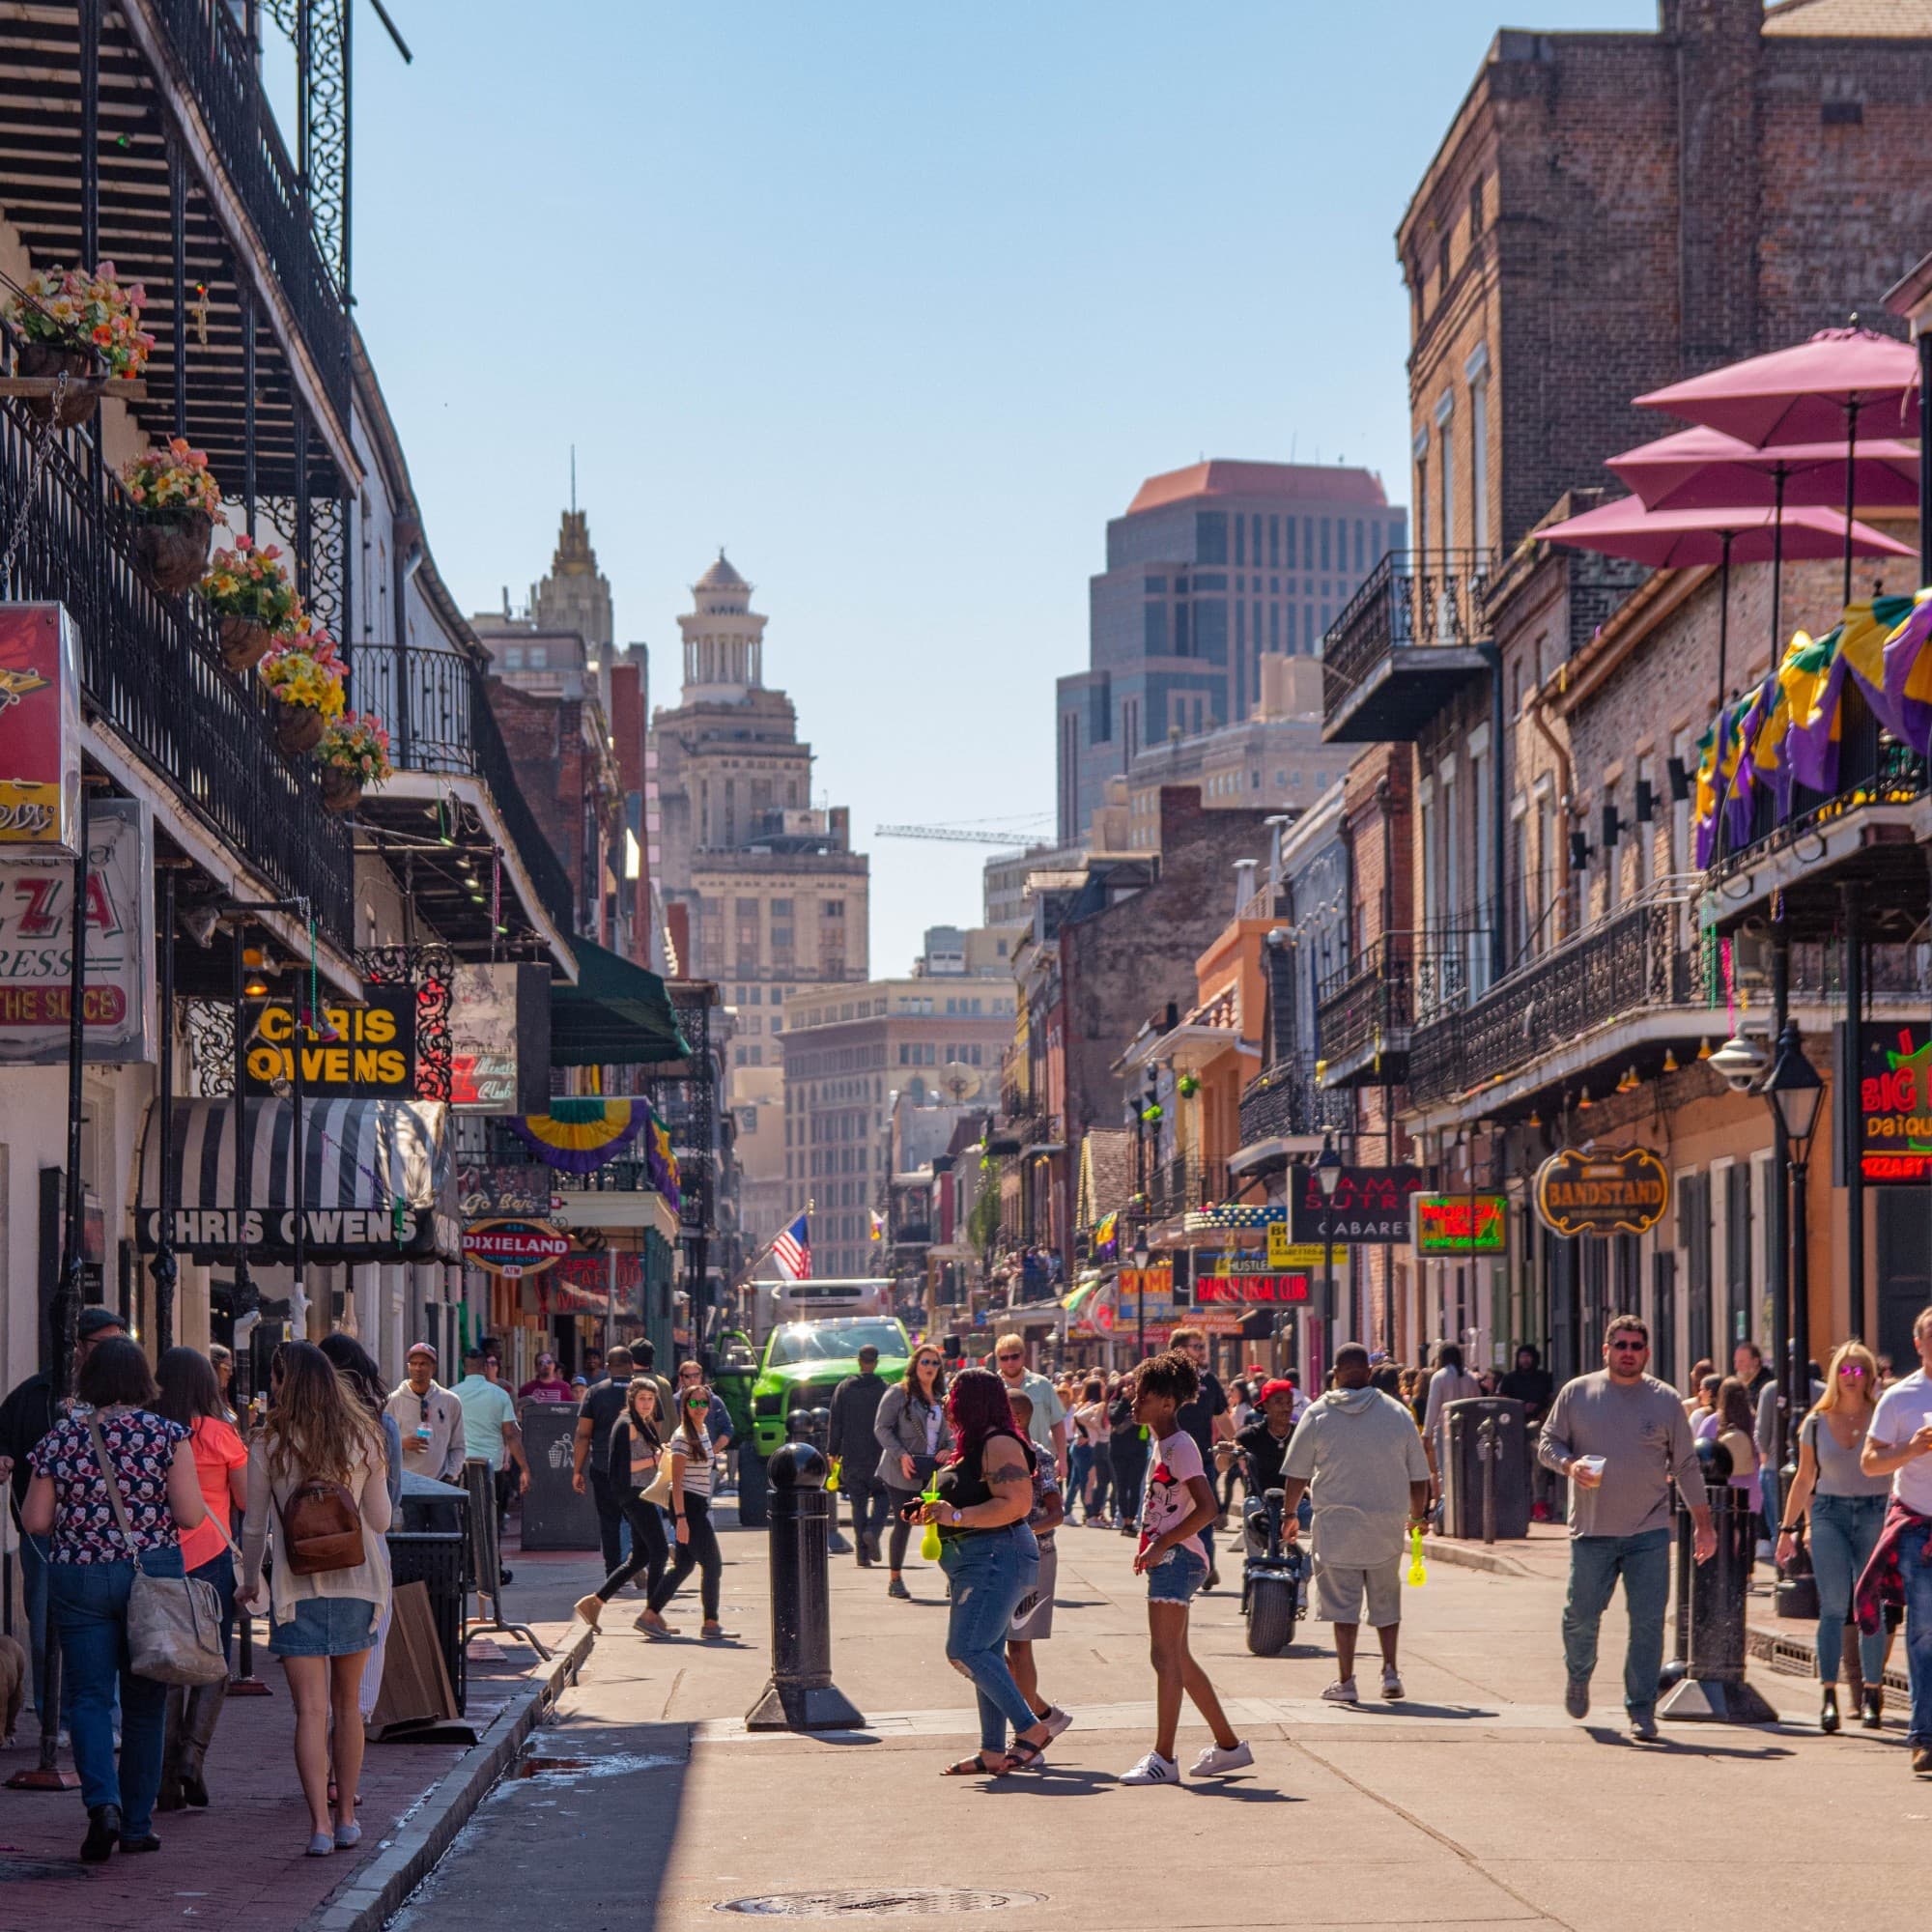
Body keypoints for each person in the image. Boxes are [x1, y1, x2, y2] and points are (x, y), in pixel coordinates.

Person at [20, 1336, 208, 1862]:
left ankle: (101, 1805)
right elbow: (191, 1514)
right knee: (146, 1705)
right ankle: (137, 1823)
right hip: (151, 1576)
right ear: (143, 1382)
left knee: (88, 1699)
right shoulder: (168, 1435)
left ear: (91, 1381)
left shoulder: (63, 1438)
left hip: (79, 1576)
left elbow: (35, 1521)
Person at [239, 1341, 392, 1857]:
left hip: (293, 1588)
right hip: (358, 1583)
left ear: (287, 1382)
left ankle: (320, 1828)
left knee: (309, 1711)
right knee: (348, 1707)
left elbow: (255, 1526)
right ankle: (348, 1816)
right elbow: (381, 1520)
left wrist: (249, 1579)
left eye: (275, 1378)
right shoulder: (365, 1435)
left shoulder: (268, 1443)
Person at [1539, 1313, 1716, 1742]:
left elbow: (1687, 1465)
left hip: (1649, 1532)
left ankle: (1641, 1709)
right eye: (1621, 1345)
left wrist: (1703, 1525)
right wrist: (1569, 1464)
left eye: (1636, 1346)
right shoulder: (1577, 1393)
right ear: (1607, 1350)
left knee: (1648, 1623)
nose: (1628, 1353)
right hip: (1592, 1530)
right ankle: (1578, 1674)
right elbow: (1548, 1443)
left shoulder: (1665, 1400)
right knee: (1580, 1616)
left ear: (1647, 1353)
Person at [910, 1367, 1054, 1776]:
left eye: (953, 1395)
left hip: (996, 1557)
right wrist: (930, 1509)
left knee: (965, 1650)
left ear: (971, 1400)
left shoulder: (1000, 1442)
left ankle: (1031, 1727)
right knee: (987, 1653)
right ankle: (992, 1751)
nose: (946, 1402)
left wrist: (955, 1514)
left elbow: (1016, 1503)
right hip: (976, 1560)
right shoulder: (971, 1446)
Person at [1117, 1350, 1251, 1785]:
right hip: (1171, 1556)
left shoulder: (1180, 1447)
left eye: (1144, 1396)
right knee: (1179, 1658)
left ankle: (1164, 1758)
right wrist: (1152, 1545)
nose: (1134, 1402)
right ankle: (1229, 1747)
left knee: (1163, 1656)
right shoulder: (1164, 1444)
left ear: (1168, 1404)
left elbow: (1208, 1507)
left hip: (1178, 1558)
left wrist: (1161, 1544)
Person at [1273, 1344, 1429, 1703]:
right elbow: (1419, 1477)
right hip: (1385, 1526)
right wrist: (1417, 1517)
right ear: (1369, 1374)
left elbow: (1296, 1475)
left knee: (1344, 1607)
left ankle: (1346, 1680)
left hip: (1336, 1527)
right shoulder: (1397, 1413)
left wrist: (1290, 1515)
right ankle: (1390, 1671)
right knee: (1386, 1601)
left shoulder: (1318, 1413)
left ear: (1336, 1372)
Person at [0, 1304, 128, 1736]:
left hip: (103, 1538)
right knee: (45, 1631)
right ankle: (55, 1718)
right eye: (105, 1344)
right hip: (44, 1538)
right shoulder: (33, 1395)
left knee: (103, 1633)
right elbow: (6, 1441)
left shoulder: (125, 1399)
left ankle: (98, 1718)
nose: (115, 1353)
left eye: (121, 1344)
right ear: (78, 1347)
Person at [154, 1347, 248, 1812]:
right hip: (212, 1554)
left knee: (167, 1663)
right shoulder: (219, 1433)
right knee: (213, 1661)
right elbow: (247, 1497)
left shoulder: (151, 1433)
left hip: (161, 1557)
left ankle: (166, 1776)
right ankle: (193, 1755)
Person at [1776, 1340, 1889, 1732]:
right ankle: (1828, 1696)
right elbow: (1805, 1477)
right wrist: (1789, 1528)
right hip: (1828, 1513)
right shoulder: (1815, 1421)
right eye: (1845, 1369)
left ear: (1870, 1377)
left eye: (1860, 1370)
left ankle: (1872, 1693)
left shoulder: (1881, 1416)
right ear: (1834, 1376)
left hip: (1875, 1510)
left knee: (1870, 1603)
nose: (1852, 1377)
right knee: (1833, 1606)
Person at [1855, 1305, 1932, 1774]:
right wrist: (1912, 1449)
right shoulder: (1900, 1398)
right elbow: (1869, 1462)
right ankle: (1924, 1737)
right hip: (1918, 1528)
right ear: (1918, 1343)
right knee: (1923, 1634)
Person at [573, 1378, 671, 1632]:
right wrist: (654, 1458)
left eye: (651, 1399)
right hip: (635, 1495)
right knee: (659, 1551)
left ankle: (594, 1602)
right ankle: (651, 1614)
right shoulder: (627, 1425)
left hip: (641, 1493)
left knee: (640, 1557)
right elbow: (625, 1467)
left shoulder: (642, 1423)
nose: (647, 1404)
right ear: (632, 1399)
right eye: (642, 1399)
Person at [1003, 1390, 1069, 1740]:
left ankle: (1029, 1727)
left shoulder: (1039, 1457)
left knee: (1019, 1644)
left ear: (1015, 1418)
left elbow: (1057, 1514)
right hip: (1003, 1558)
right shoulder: (998, 1454)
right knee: (993, 1645)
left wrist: (1020, 1531)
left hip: (1035, 1557)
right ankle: (1042, 1715)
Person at [643, 1378, 726, 1639]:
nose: (700, 1407)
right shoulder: (682, 1437)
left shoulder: (702, 1431)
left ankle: (649, 1616)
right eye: (694, 1403)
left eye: (704, 1402)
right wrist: (681, 1518)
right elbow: (677, 1483)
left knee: (683, 1566)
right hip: (688, 1506)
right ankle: (710, 1623)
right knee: (713, 1564)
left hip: (698, 1503)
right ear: (686, 1406)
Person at [875, 1342, 947, 1599]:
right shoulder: (899, 1393)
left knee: (944, 1522)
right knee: (905, 1522)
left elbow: (953, 1432)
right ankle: (895, 1579)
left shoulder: (943, 1398)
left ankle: (954, 1577)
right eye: (925, 1361)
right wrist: (901, 1455)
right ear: (915, 1364)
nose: (929, 1367)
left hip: (934, 1471)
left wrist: (948, 1449)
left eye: (935, 1362)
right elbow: (881, 1428)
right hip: (901, 1469)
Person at [1170, 1326, 1233, 1587]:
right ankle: (1176, 1565)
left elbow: (1221, 1417)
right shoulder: (1166, 1380)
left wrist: (1238, 1443)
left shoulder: (1209, 1382)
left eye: (1202, 1347)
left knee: (1206, 1513)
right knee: (1173, 1515)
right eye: (1196, 1347)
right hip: (1171, 1460)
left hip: (1203, 1459)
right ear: (1179, 1350)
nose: (1202, 1352)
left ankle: (1205, 1564)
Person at [572, 1346, 643, 1573]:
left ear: (607, 1367)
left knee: (609, 1521)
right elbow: (655, 1432)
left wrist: (577, 1471)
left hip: (604, 1466)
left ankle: (613, 1570)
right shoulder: (644, 1392)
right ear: (632, 1366)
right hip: (638, 1469)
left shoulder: (595, 1392)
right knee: (639, 1519)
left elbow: (583, 1435)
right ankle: (637, 1562)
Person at [451, 1346, 529, 1533]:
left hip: (461, 1466)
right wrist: (524, 1468)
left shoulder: (453, 1395)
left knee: (464, 1518)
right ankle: (493, 1558)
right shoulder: (500, 1395)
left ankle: (467, 1557)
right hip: (491, 1467)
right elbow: (511, 1434)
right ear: (485, 1368)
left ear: (464, 1368)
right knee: (493, 1517)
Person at [828, 1344, 892, 1566]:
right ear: (875, 1362)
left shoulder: (844, 1388)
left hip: (852, 1456)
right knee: (883, 1497)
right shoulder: (884, 1388)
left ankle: (862, 1555)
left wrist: (832, 1452)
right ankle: (873, 1530)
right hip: (879, 1456)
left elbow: (835, 1421)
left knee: (858, 1503)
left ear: (859, 1361)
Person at [385, 1344, 465, 1484]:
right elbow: (380, 1441)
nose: (418, 1368)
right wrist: (401, 1443)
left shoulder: (450, 1401)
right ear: (408, 1366)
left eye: (423, 1364)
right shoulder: (393, 1401)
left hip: (441, 1482)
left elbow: (458, 1445)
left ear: (433, 1368)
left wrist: (451, 1474)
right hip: (406, 1483)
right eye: (414, 1364)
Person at [993, 1334, 1066, 1482]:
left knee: (1049, 1504)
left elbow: (1057, 1423)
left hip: (1041, 1461)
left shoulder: (1042, 1384)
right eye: (1004, 1358)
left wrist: (1063, 1460)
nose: (1010, 1362)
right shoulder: (991, 1387)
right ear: (998, 1360)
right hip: (1004, 1464)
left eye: (1014, 1356)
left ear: (1023, 1356)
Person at [1499, 1344, 1557, 1521]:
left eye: (1528, 1357)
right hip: (1515, 1427)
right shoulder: (1510, 1379)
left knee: (1539, 1467)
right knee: (1518, 1467)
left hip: (1539, 1426)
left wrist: (1539, 1409)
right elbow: (1502, 1400)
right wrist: (1519, 1407)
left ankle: (1539, 1504)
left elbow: (1551, 1400)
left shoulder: (1544, 1378)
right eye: (1522, 1357)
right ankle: (1519, 1505)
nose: (1525, 1360)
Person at [1108, 1375, 1146, 1538]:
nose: (1131, 1387)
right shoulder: (1114, 1402)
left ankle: (1133, 1519)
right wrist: (1124, 1400)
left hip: (1138, 1450)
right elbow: (1114, 1418)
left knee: (1135, 1486)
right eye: (1128, 1384)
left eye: (1134, 1384)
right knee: (1122, 1486)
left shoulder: (1142, 1403)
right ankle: (1126, 1522)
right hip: (1119, 1451)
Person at [1072, 1377, 1112, 1524]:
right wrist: (1088, 1433)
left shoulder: (1085, 1404)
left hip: (1085, 1446)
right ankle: (1090, 1515)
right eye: (1102, 1387)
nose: (1105, 1389)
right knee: (1089, 1483)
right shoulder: (1093, 1405)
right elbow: (1078, 1418)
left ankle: (1093, 1514)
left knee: (1082, 1482)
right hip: (1090, 1446)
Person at [208, 1343, 238, 1423]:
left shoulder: (223, 1401)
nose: (231, 1373)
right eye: (226, 1367)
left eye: (231, 1368)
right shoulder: (206, 1402)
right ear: (213, 1367)